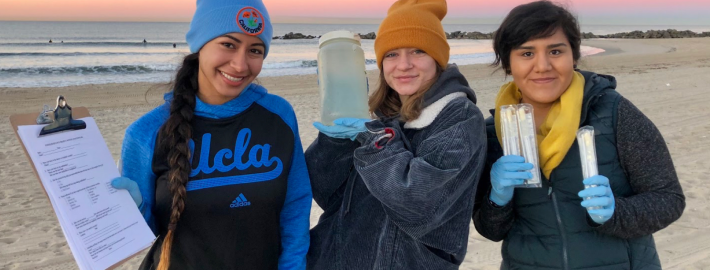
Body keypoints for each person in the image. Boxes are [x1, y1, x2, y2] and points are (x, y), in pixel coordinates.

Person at [472, 1, 685, 269]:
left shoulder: (614, 113)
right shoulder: (493, 132)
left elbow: (668, 199)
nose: (542, 65)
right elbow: (490, 229)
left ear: (573, 55)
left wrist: (615, 212)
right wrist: (497, 198)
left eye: (555, 51)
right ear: (508, 63)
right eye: (526, 53)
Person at [110, 0, 312, 269]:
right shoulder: (146, 133)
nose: (240, 65)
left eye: (255, 50)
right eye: (228, 44)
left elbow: (295, 204)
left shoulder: (279, 116)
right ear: (200, 44)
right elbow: (147, 232)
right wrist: (132, 210)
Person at [305, 0, 486, 269]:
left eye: (418, 51)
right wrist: (335, 142)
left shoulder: (458, 116)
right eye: (391, 54)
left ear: (438, 59)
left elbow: (417, 204)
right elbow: (328, 195)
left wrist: (373, 142)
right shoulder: (384, 118)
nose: (403, 65)